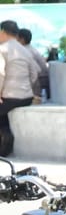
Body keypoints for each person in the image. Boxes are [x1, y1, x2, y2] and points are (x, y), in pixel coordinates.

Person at [0, 20, 38, 156]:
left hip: (10, 96)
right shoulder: (25, 50)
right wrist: (26, 87)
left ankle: (4, 148)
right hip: (26, 97)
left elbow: (0, 73)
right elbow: (34, 73)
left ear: (3, 32)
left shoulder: (2, 49)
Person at [17, 28, 50, 101]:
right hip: (43, 80)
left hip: (39, 81)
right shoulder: (31, 49)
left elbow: (36, 70)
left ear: (21, 39)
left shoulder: (24, 51)